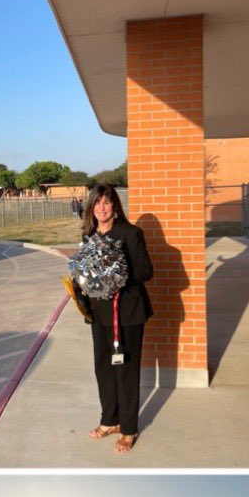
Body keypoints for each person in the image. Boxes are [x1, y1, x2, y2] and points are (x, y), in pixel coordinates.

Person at [74, 183, 154, 455]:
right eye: (97, 203)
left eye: (107, 202)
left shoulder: (130, 233)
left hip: (127, 313)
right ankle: (110, 420)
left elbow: (146, 270)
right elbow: (85, 272)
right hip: (99, 314)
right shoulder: (89, 235)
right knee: (104, 368)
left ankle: (129, 428)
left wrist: (117, 276)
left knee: (126, 370)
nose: (102, 208)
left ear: (115, 206)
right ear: (91, 207)